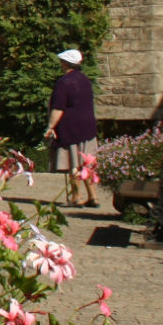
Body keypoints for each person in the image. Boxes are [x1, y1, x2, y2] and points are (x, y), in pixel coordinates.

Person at [45, 48, 98, 206]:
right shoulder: (85, 79)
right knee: (87, 163)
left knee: (74, 164)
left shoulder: (64, 82)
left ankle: (76, 197)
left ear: (66, 63)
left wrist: (50, 127)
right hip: (88, 127)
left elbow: (58, 108)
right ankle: (93, 197)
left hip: (71, 128)